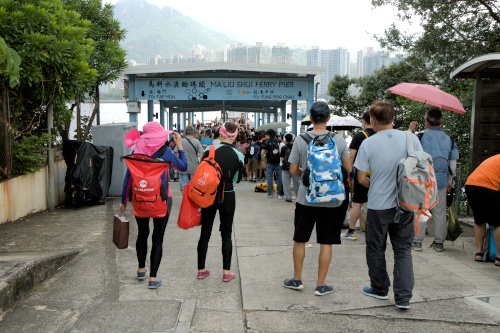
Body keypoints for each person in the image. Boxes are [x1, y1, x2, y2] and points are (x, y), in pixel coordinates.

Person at [354, 100, 422, 310]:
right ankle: (403, 299)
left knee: (376, 248)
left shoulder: (368, 143)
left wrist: (375, 184)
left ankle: (380, 289)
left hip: (378, 205)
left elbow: (360, 178)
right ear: (393, 118)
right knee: (403, 250)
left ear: (372, 120)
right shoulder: (411, 139)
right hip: (405, 204)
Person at [283, 101, 351, 296]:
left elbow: (293, 169)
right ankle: (321, 286)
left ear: (311, 119)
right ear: (328, 118)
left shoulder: (301, 139)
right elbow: (347, 169)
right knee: (326, 242)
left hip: (307, 199)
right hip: (333, 200)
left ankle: (297, 280)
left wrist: (310, 174)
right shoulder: (338, 140)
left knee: (300, 240)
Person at [119, 122, 187, 289]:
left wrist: (123, 201)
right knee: (158, 238)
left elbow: (128, 178)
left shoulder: (136, 151)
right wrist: (180, 146)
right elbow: (183, 167)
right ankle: (153, 278)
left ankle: (141, 269)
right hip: (162, 199)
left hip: (140, 196)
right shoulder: (166, 151)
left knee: (142, 233)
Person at [197, 122, 244, 282]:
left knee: (205, 233)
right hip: (228, 194)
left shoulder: (208, 151)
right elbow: (237, 179)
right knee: (227, 235)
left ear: (221, 134)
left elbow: (201, 172)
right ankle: (226, 272)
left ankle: (201, 270)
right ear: (235, 135)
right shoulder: (239, 155)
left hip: (208, 194)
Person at [408, 109, 459, 252]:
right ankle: (438, 243)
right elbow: (453, 164)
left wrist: (410, 130)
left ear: (426, 122)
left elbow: (410, 152)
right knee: (440, 212)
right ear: (441, 121)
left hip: (422, 179)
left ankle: (417, 242)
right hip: (441, 180)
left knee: (421, 210)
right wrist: (449, 180)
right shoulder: (449, 139)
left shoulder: (419, 137)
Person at [342, 111, 376, 240]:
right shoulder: (380, 135)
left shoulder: (360, 136)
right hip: (378, 174)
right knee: (375, 203)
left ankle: (351, 231)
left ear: (364, 121)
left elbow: (351, 156)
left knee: (357, 203)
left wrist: (348, 173)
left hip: (362, 173)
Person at [464, 154, 500, 265]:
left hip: (471, 185)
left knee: (479, 220)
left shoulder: (496, 158)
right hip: (488, 187)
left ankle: (479, 253)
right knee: (498, 223)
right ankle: (499, 257)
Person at [176, 125, 204, 193]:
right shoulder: (197, 142)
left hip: (183, 167)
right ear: (193, 133)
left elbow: (176, 154)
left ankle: (186, 200)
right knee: (194, 187)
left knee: (184, 187)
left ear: (185, 133)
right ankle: (192, 201)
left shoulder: (181, 141)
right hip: (194, 168)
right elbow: (201, 155)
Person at [261, 129, 283, 199]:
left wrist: (264, 161)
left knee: (269, 178)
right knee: (280, 178)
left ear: (269, 135)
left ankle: (270, 193)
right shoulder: (280, 142)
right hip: (278, 163)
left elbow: (262, 153)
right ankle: (279, 194)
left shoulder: (266, 142)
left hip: (270, 162)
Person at [281, 133, 299, 202]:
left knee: (286, 183)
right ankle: (298, 196)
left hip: (285, 167)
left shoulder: (283, 148)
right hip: (294, 166)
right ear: (292, 139)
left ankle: (288, 197)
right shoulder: (295, 147)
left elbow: (282, 158)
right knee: (296, 182)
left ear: (285, 139)